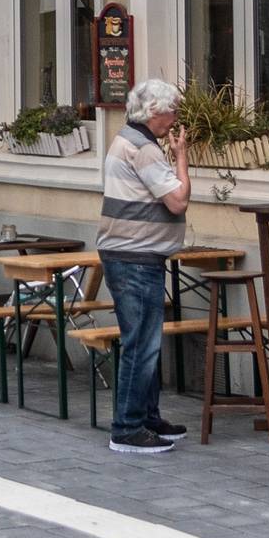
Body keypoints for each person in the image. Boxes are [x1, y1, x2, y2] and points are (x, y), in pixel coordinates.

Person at [99, 77, 192, 454]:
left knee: (143, 341)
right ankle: (128, 428)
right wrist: (182, 156)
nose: (175, 118)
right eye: (173, 110)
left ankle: (148, 417)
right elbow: (177, 201)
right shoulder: (144, 149)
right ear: (154, 111)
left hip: (127, 253)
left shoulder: (126, 139)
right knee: (142, 344)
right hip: (135, 257)